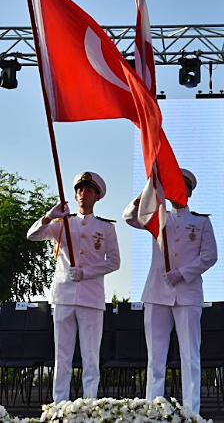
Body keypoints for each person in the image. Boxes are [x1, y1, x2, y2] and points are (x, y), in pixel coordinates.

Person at [122, 168, 218, 415]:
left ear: (190, 192)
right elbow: (129, 217)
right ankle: (152, 410)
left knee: (190, 356)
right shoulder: (157, 216)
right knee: (155, 358)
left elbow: (210, 256)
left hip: (187, 293)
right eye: (173, 186)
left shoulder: (201, 222)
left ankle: (191, 412)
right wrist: (146, 193)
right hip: (157, 292)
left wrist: (183, 273)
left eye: (183, 187)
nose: (178, 191)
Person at [26, 171, 120, 403]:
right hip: (64, 297)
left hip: (91, 298)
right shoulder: (62, 223)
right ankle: (60, 405)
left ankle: (89, 406)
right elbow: (32, 235)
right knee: (62, 356)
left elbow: (114, 262)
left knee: (91, 357)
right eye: (80, 190)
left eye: (88, 190)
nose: (83, 193)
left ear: (97, 196)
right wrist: (48, 217)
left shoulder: (105, 228)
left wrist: (85, 272)